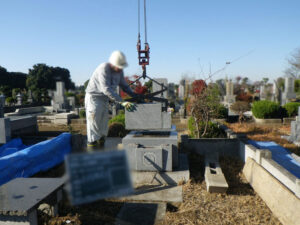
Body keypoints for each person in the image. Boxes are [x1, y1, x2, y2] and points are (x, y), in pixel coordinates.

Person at [85, 50, 136, 149]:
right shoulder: (103, 69)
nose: (120, 69)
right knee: (94, 125)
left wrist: (134, 94)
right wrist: (122, 102)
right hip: (94, 98)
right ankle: (92, 151)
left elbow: (124, 86)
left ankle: (101, 149)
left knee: (103, 126)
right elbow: (106, 89)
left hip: (104, 99)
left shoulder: (119, 71)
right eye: (118, 66)